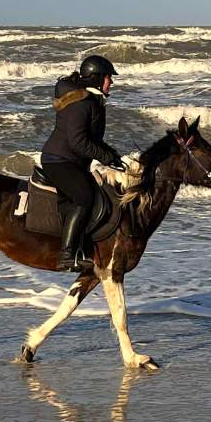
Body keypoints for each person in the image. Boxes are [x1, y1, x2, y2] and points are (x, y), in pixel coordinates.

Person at [39, 52, 135, 272]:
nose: (111, 82)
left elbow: (91, 140)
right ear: (96, 78)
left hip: (70, 161)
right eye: (108, 77)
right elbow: (78, 142)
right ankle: (67, 255)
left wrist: (111, 154)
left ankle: (82, 247)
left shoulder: (92, 101)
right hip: (59, 161)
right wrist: (105, 157)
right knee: (84, 197)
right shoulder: (82, 103)